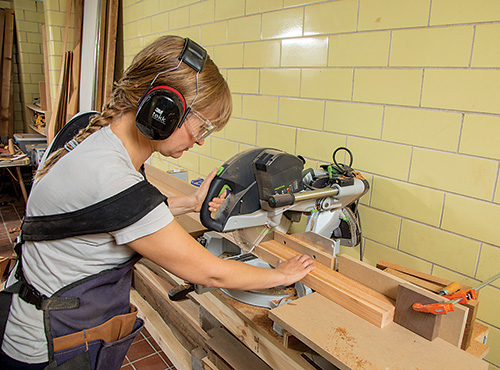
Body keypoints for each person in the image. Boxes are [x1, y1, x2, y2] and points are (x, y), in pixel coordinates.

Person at [0, 35, 315, 370]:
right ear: (163, 110)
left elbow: (106, 215)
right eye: (202, 127)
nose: (200, 142)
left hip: (37, 319)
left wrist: (191, 202)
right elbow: (212, 273)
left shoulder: (89, 131)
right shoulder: (113, 179)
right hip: (50, 348)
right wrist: (281, 275)